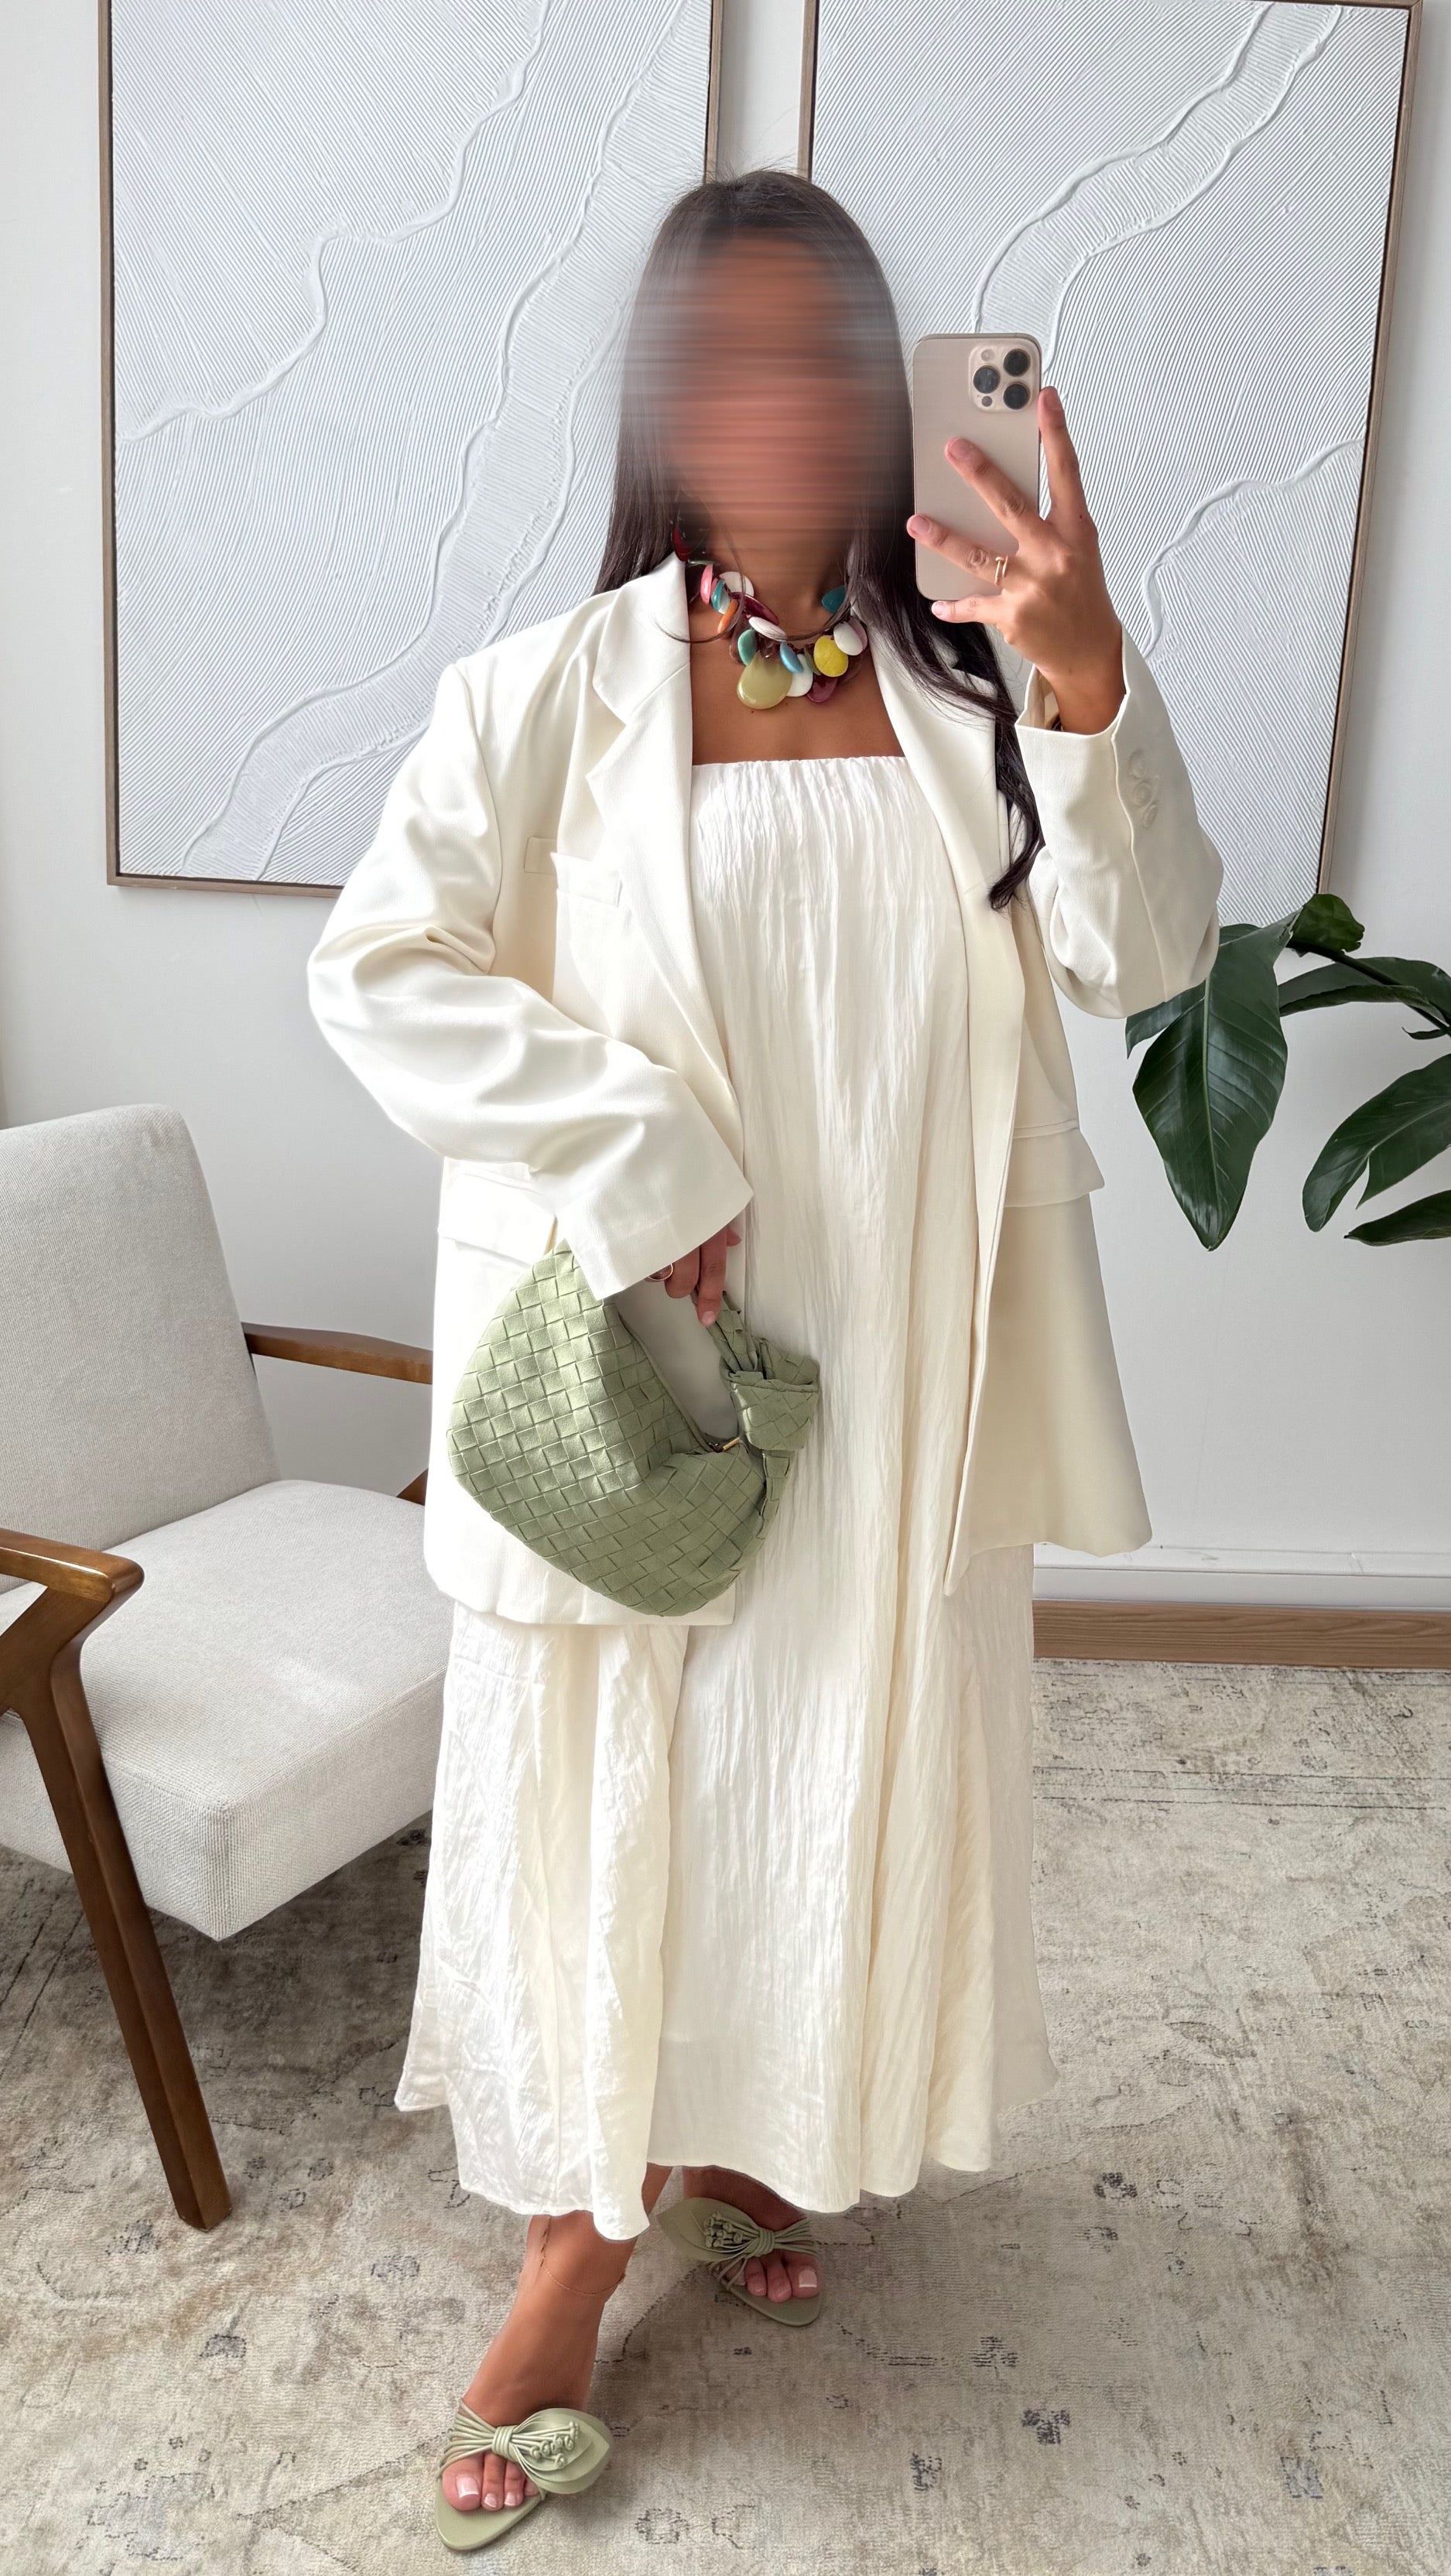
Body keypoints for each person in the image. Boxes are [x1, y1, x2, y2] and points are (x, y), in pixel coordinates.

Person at [306, 169, 1221, 2550]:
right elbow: (377, 968)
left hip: (904, 1361)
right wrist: (639, 1152)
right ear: (655, 401)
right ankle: (566, 2246)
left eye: (821, 348)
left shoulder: (973, 693)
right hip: (658, 1338)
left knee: (827, 1757)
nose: (776, 398)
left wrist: (1087, 673)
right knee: (617, 1761)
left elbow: (1143, 951)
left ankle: (737, 2131)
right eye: (718, 353)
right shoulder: (541, 696)